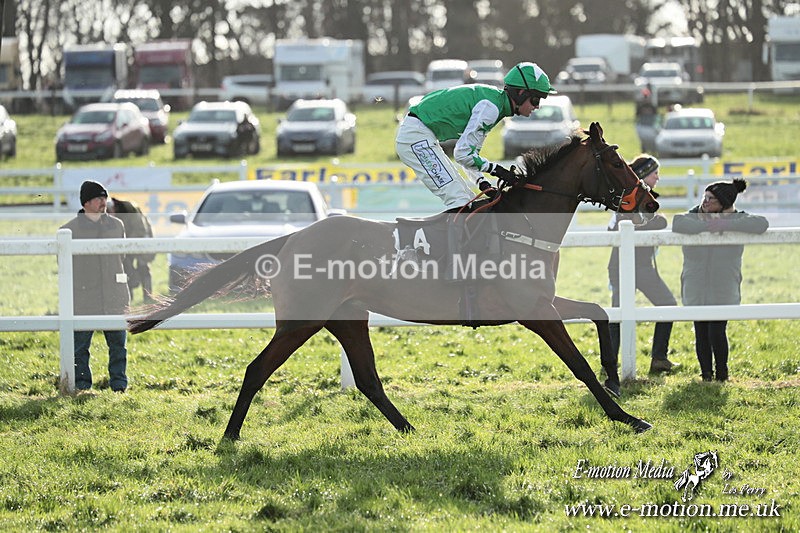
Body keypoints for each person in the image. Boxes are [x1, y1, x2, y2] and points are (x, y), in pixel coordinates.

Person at [396, 61, 557, 209]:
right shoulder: (491, 108)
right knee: (460, 201)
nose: (537, 106)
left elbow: (469, 155)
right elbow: (462, 154)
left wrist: (482, 183)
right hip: (415, 137)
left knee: (468, 200)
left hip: (420, 135)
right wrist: (497, 170)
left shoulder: (495, 103)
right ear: (521, 93)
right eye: (536, 99)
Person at [672, 178, 769, 382]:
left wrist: (725, 223)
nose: (705, 202)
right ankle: (706, 375)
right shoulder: (695, 215)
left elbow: (761, 223)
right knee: (701, 331)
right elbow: (678, 222)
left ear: (724, 204)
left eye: (711, 199)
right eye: (705, 197)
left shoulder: (739, 218)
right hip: (696, 284)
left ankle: (722, 373)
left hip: (723, 284)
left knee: (717, 330)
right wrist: (709, 226)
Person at [607, 154, 679, 374]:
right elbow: (657, 222)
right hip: (634, 265)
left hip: (630, 264)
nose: (658, 177)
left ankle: (611, 361)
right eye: (655, 173)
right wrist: (658, 220)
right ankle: (658, 358)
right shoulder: (630, 199)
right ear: (644, 175)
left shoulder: (630, 197)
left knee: (619, 313)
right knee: (667, 305)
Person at [60, 181, 131, 392]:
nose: (103, 202)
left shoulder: (117, 225)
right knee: (80, 347)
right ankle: (82, 386)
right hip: (84, 297)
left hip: (114, 294)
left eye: (104, 198)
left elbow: (122, 257)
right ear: (86, 203)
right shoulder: (68, 230)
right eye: (99, 198)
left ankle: (119, 385)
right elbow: (64, 266)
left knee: (118, 345)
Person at [107, 196, 155, 302]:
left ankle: (148, 295)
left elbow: (141, 230)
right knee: (124, 267)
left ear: (114, 208)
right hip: (125, 242)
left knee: (143, 265)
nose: (109, 214)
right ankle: (129, 296)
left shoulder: (129, 208)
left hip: (142, 237)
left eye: (110, 211)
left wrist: (126, 242)